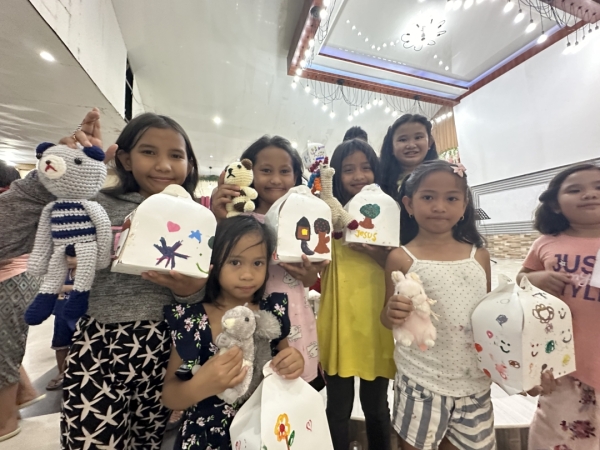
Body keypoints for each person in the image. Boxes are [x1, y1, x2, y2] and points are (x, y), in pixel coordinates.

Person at [0, 109, 206, 448]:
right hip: (98, 349)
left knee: (146, 443)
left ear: (190, 164)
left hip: (162, 355)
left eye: (176, 155)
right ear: (124, 158)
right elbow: (5, 237)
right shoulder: (92, 204)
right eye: (148, 151)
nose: (164, 165)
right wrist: (55, 176)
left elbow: (202, 297)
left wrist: (190, 292)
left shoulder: (198, 218)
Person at [162, 215, 304, 449]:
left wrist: (294, 362)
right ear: (214, 262)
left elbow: (284, 359)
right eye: (235, 262)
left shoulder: (273, 311)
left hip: (264, 432)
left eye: (257, 263)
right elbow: (169, 395)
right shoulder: (193, 319)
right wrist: (201, 385)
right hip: (205, 438)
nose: (247, 274)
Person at [383, 160, 494, 450]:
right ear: (409, 204)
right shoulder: (400, 257)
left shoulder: (479, 256)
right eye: (428, 197)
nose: (439, 207)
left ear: (465, 204)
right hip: (421, 380)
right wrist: (392, 312)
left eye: (451, 198)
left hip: (474, 381)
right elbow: (386, 317)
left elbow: (489, 318)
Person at [211, 135, 326, 389]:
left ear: (296, 176)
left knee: (293, 386)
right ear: (250, 173)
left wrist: (308, 274)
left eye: (284, 171)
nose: (275, 179)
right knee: (249, 386)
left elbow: (310, 279)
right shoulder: (241, 219)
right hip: (247, 317)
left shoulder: (304, 220)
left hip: (294, 317)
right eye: (266, 170)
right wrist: (219, 219)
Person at [318, 138, 395, 450]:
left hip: (376, 319)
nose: (359, 175)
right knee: (338, 407)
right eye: (348, 169)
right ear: (336, 176)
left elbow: (397, 265)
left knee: (377, 406)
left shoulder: (387, 214)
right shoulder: (327, 214)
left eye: (366, 167)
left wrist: (373, 250)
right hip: (340, 319)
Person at [516, 164, 600, 450]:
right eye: (575, 190)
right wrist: (535, 279)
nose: (589, 194)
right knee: (555, 437)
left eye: (598, 187)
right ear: (555, 204)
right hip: (563, 364)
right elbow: (520, 282)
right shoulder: (546, 243)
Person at [0, 161, 44, 442]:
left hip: (10, 280)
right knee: (7, 346)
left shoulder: (9, 204)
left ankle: (5, 422)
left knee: (4, 349)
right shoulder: (18, 204)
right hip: (21, 277)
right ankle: (24, 393)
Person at [380, 114, 439, 203]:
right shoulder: (380, 182)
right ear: (391, 146)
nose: (411, 145)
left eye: (418, 137)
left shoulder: (443, 176)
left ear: (430, 142)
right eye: (403, 139)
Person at [45, 245, 78, 391]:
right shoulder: (63, 273)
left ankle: (78, 375)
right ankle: (61, 373)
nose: (69, 260)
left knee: (80, 345)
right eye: (67, 257)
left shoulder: (87, 273)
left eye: (73, 256)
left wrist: (66, 288)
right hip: (61, 317)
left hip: (79, 318)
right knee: (60, 345)